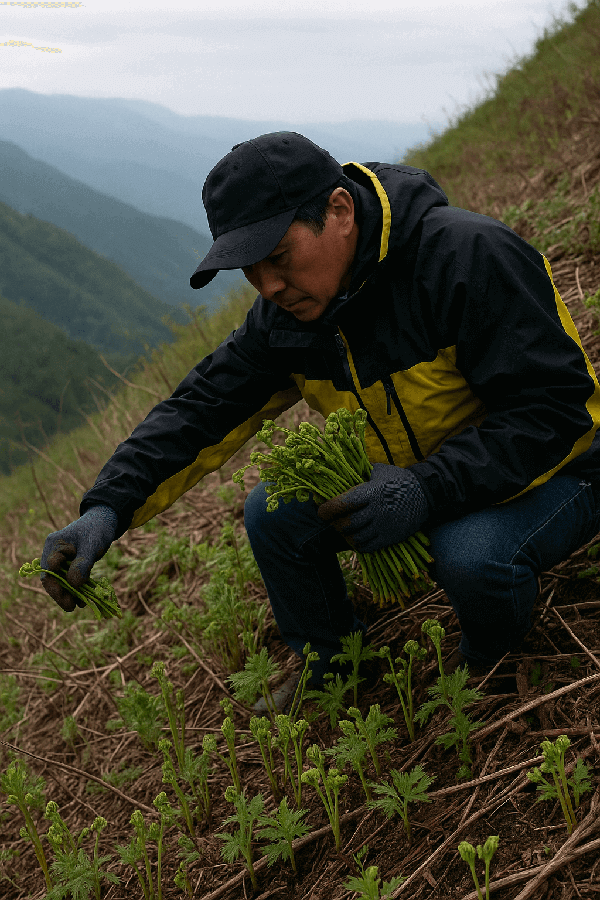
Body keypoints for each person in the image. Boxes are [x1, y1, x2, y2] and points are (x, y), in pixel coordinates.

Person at [41, 131, 600, 688]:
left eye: (279, 258)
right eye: (250, 271)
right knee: (274, 514)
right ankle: (334, 668)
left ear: (339, 211)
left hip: (556, 472)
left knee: (470, 556)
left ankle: (489, 668)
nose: (270, 286)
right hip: (414, 478)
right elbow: (200, 409)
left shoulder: (465, 257)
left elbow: (557, 412)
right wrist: (108, 509)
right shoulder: (287, 318)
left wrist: (427, 490)